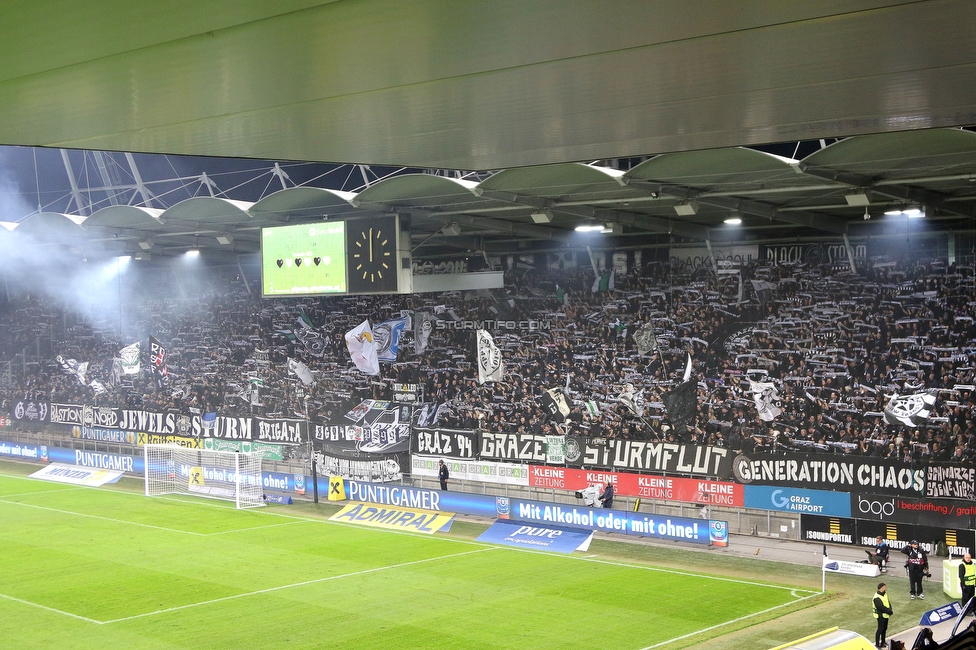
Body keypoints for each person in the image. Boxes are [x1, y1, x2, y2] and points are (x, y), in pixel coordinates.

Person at [873, 582, 893, 649]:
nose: (885, 588)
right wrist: (889, 612)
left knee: (884, 629)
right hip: (880, 615)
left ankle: (883, 642)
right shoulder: (876, 597)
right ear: (881, 588)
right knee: (880, 629)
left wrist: (890, 609)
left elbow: (888, 602)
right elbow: (880, 607)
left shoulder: (885, 594)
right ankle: (877, 644)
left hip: (886, 615)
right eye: (884, 587)